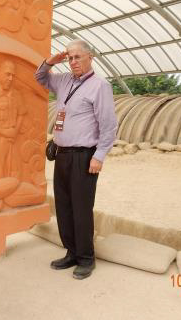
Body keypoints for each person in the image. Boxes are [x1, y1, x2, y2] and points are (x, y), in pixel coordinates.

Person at [35, 40, 117, 280]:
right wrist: (52, 61)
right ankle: (71, 252)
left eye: (78, 57)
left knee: (81, 209)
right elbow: (40, 77)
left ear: (90, 57)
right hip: (62, 154)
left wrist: (99, 155)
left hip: (84, 156)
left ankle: (86, 258)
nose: (73, 62)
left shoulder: (100, 86)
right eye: (70, 58)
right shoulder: (63, 81)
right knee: (63, 206)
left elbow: (109, 125)